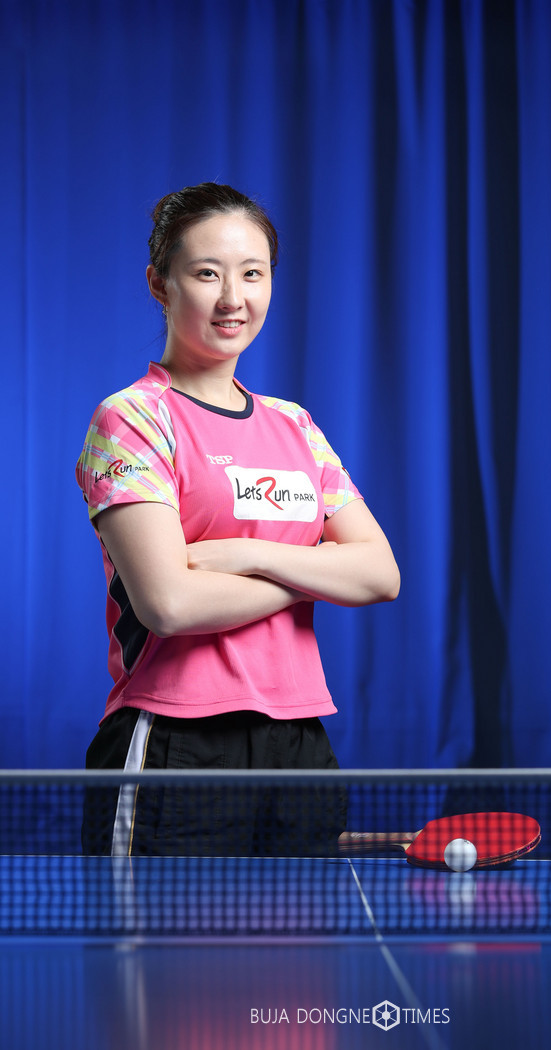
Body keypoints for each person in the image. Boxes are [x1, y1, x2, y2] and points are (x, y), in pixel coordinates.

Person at [76, 182, 400, 857]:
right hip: (177, 743)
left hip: (299, 742)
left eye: (253, 274)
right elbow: (169, 604)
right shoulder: (133, 419)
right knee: (152, 932)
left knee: (299, 931)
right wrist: (315, 575)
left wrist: (247, 554)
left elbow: (379, 574)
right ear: (160, 284)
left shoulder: (294, 425)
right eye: (206, 273)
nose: (233, 298)